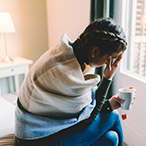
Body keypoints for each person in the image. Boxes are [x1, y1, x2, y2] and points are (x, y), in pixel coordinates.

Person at [14, 18, 127, 146]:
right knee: (114, 117)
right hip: (36, 139)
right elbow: (88, 119)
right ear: (95, 51)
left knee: (111, 139)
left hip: (39, 130)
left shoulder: (69, 54)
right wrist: (108, 78)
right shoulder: (64, 73)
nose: (108, 64)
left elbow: (84, 105)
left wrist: (107, 104)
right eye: (110, 59)